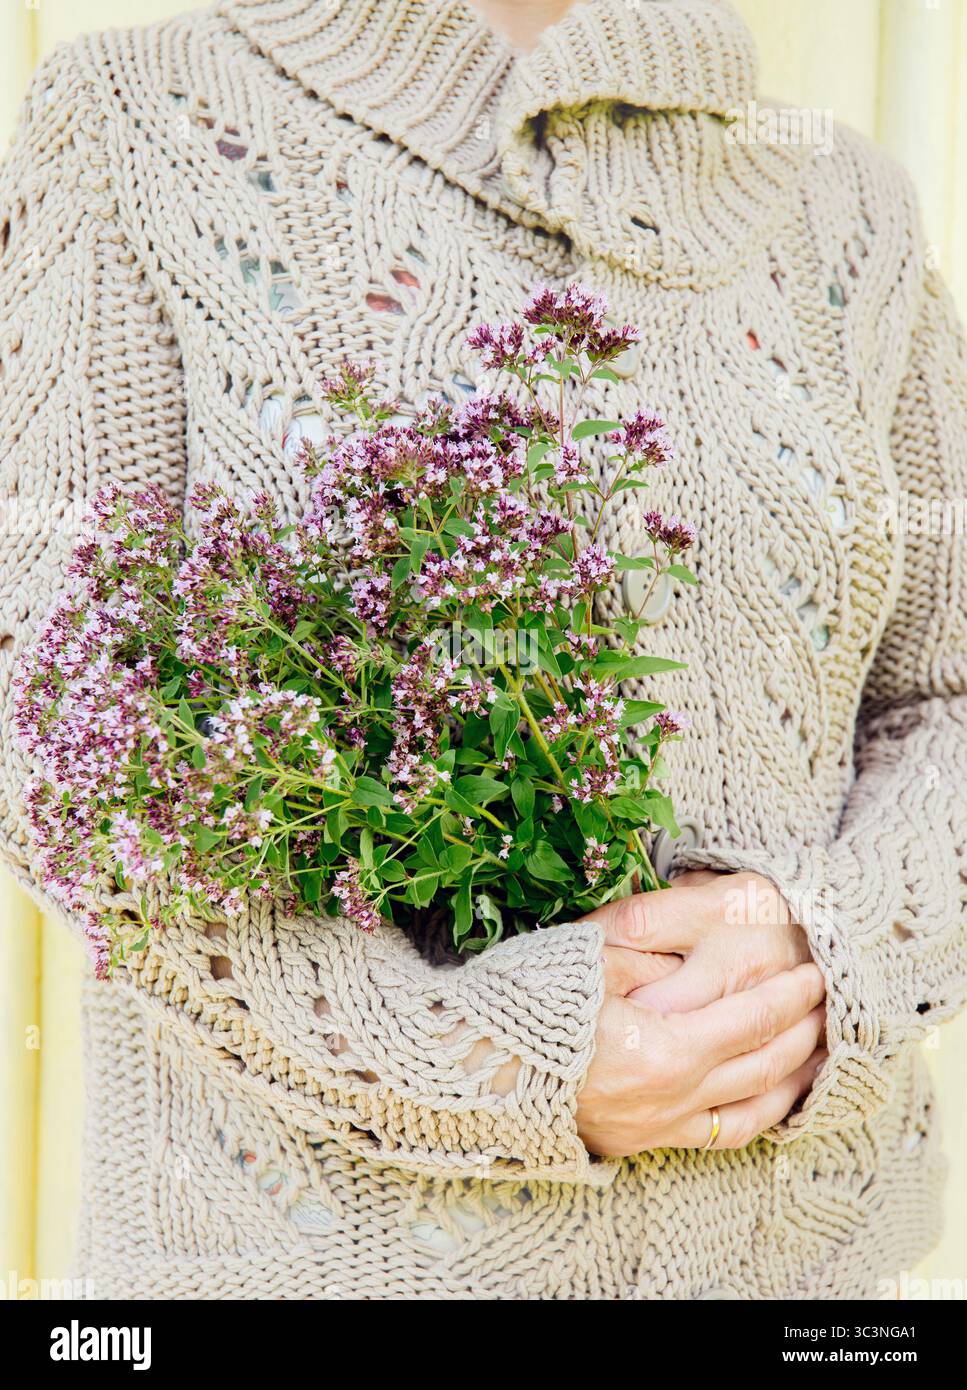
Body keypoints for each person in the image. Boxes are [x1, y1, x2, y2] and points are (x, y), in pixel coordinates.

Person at [0, 0, 964, 1300]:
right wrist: (486, 1060)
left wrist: (821, 944)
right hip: (321, 1270)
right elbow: (46, 724)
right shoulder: (135, 121)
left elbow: (948, 691)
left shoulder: (844, 198)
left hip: (807, 1285)